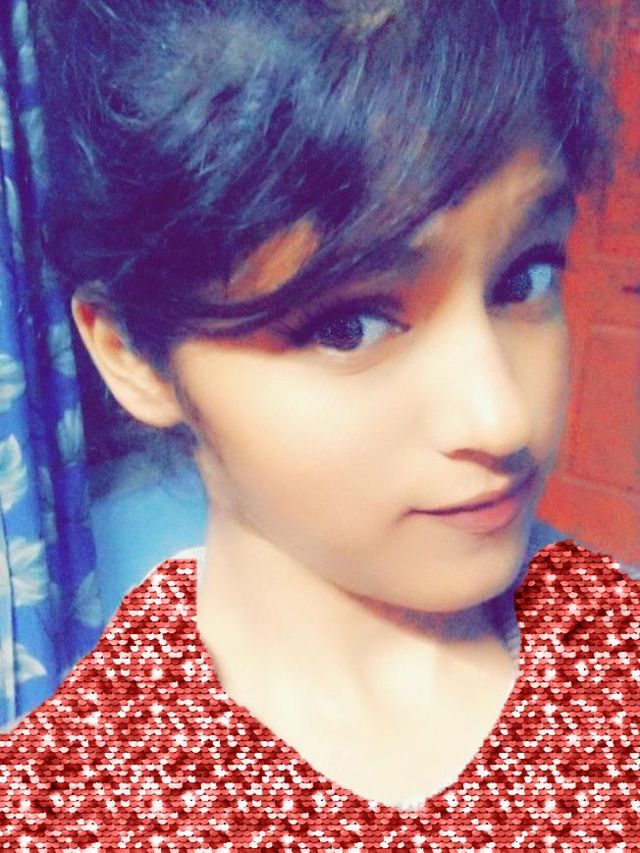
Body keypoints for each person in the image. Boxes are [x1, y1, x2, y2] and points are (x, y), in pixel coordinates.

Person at [1, 0, 638, 846]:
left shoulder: (617, 643)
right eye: (349, 326)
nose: (503, 418)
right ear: (131, 355)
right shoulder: (66, 809)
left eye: (524, 278)